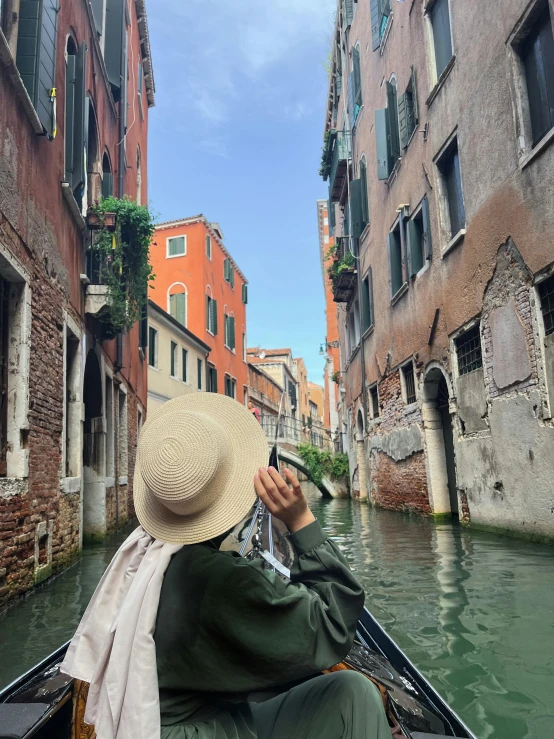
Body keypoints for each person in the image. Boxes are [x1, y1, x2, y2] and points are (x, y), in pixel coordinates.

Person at [62, 394, 390, 739]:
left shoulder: (146, 553)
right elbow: (332, 625)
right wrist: (301, 520)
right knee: (355, 693)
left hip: (163, 716)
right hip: (196, 731)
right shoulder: (220, 577)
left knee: (347, 690)